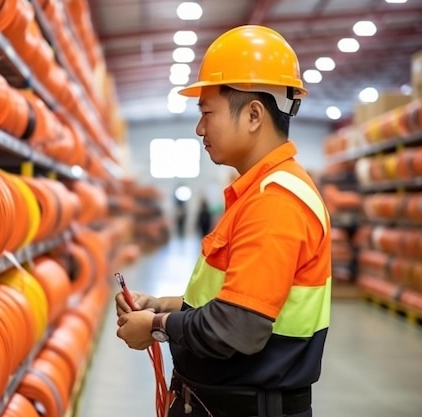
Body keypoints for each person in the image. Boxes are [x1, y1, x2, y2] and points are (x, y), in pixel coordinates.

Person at [115, 25, 331, 417]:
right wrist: (160, 304)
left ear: (253, 115)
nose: (200, 128)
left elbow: (238, 327)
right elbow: (231, 298)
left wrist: (157, 325)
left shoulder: (275, 202)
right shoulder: (255, 194)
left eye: (207, 113)